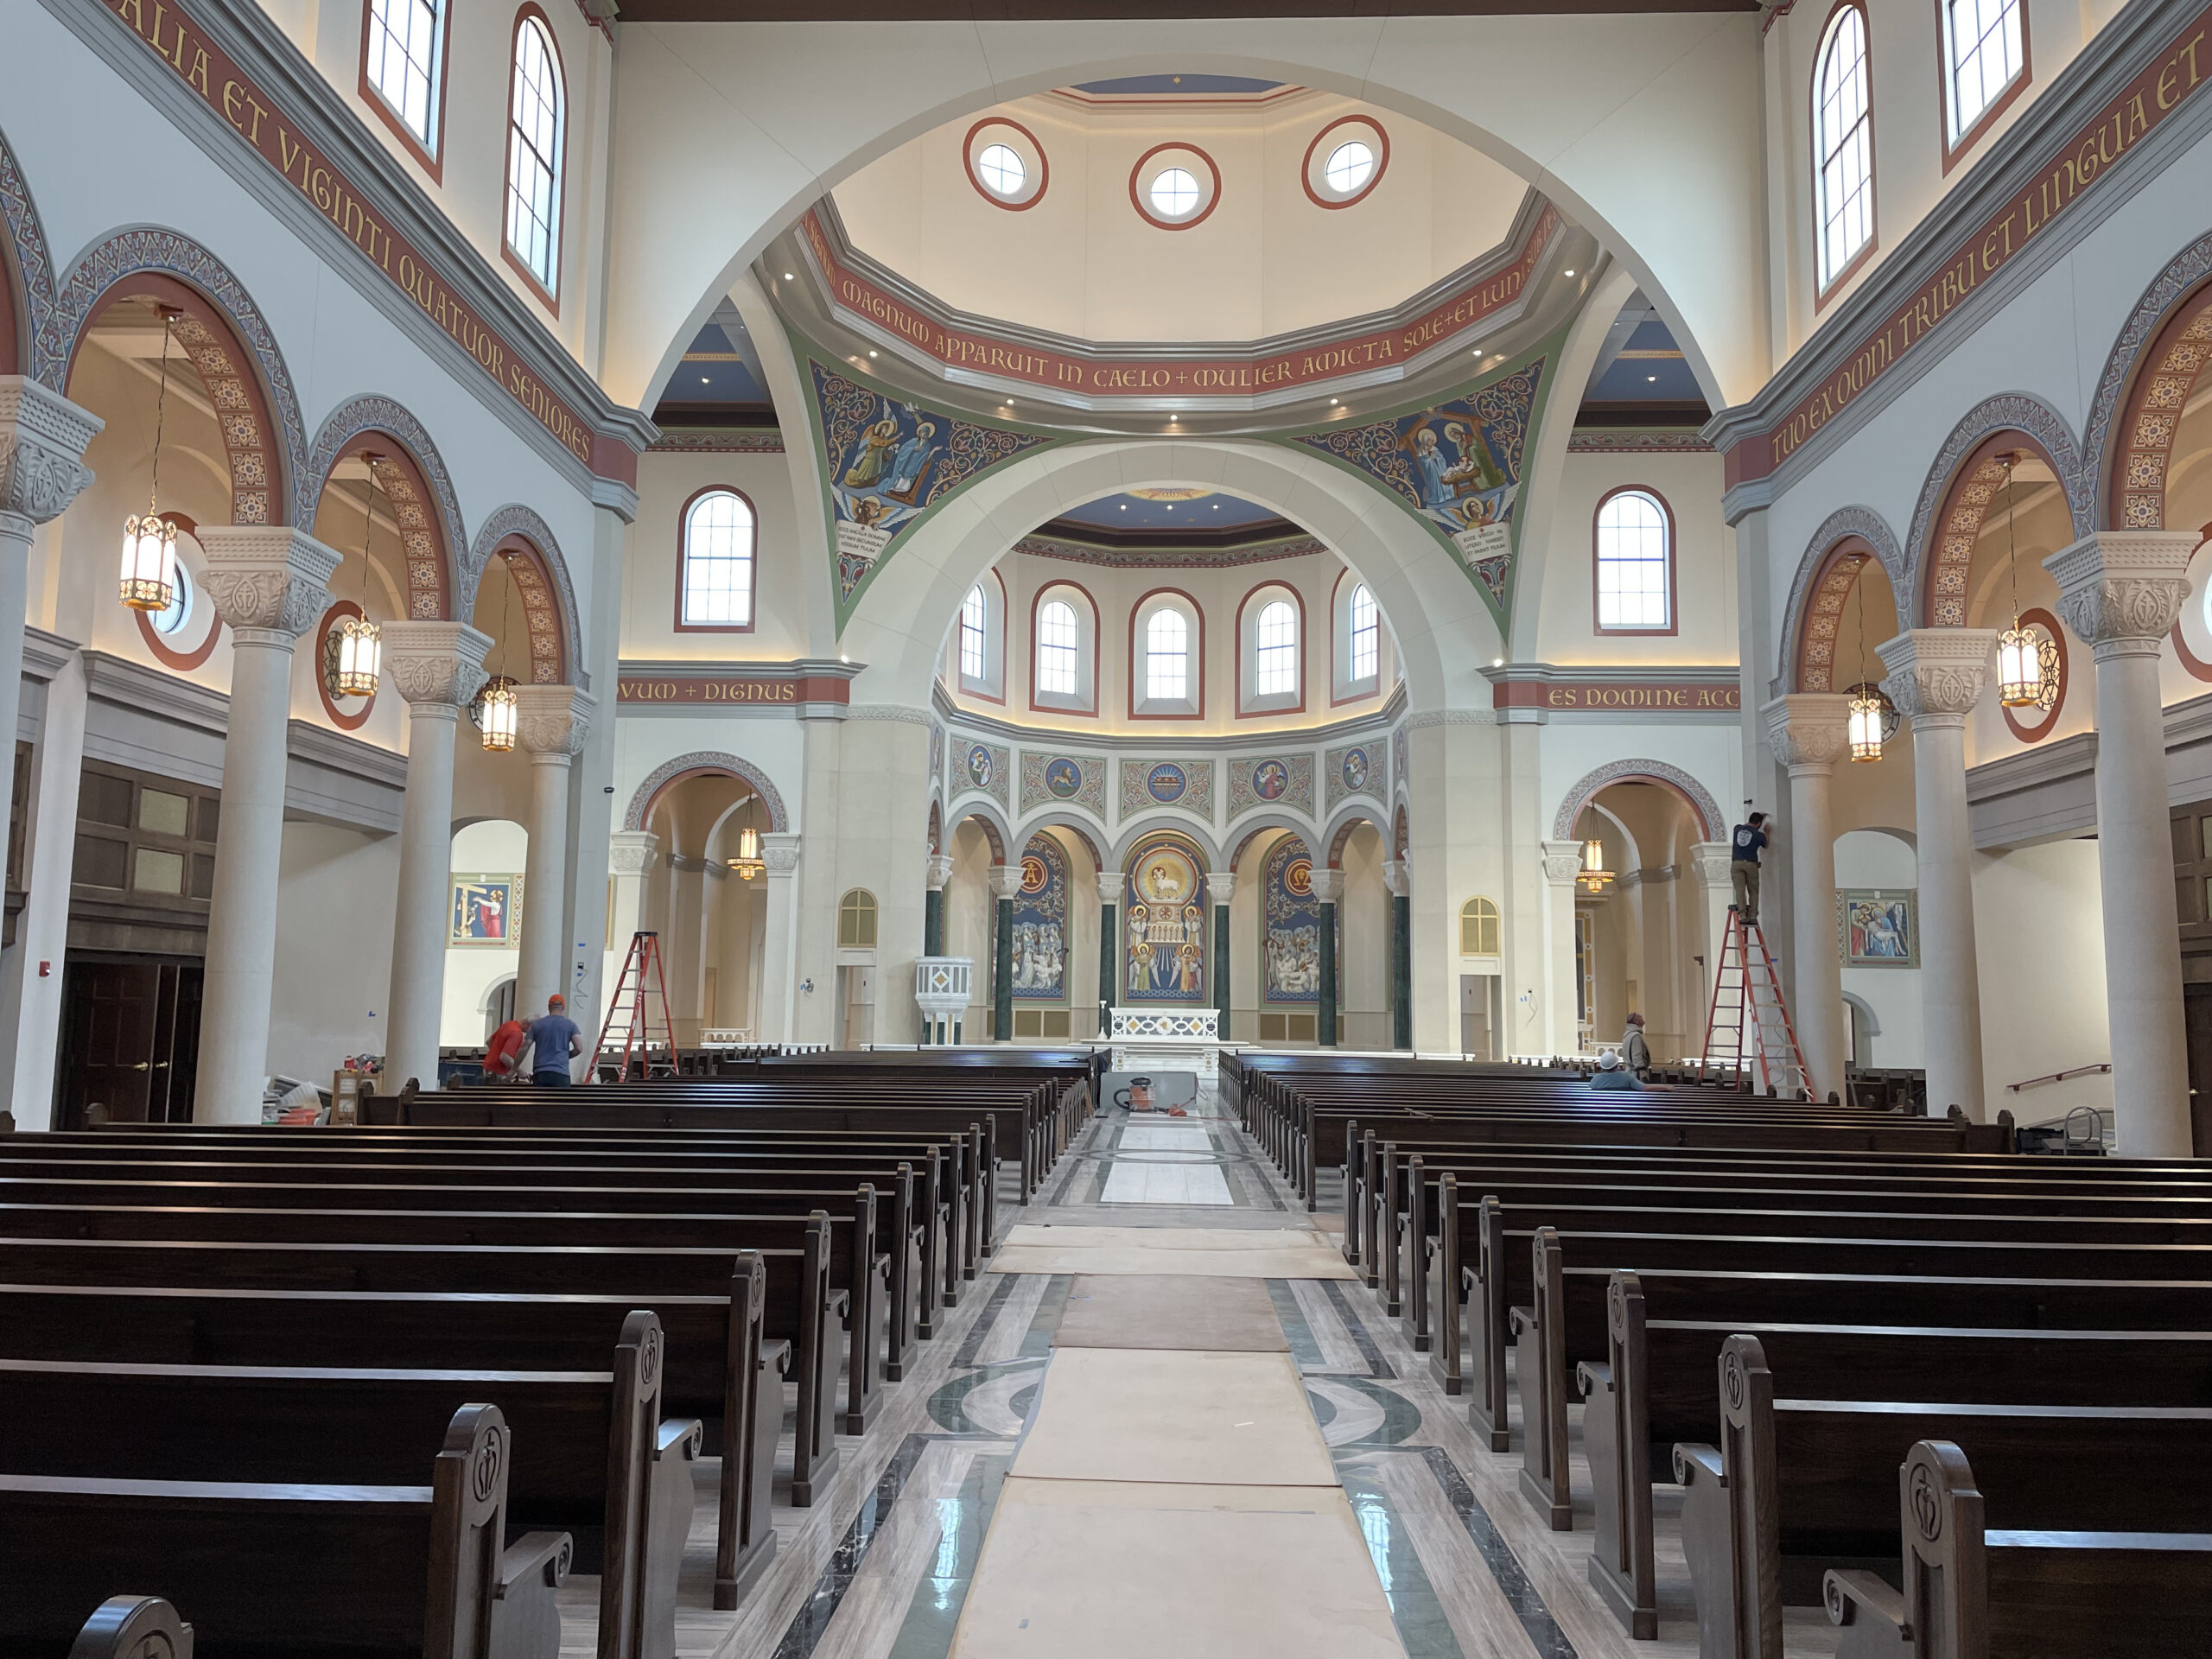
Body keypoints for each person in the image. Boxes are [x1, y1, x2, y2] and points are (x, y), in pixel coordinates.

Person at [524, 994, 583, 1088]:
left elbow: (525, 1046)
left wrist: (514, 1068)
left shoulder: (537, 1024)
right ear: (563, 1007)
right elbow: (579, 1048)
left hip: (541, 1072)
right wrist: (565, 1056)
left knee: (540, 1102)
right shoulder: (570, 1025)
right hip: (561, 1073)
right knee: (560, 1102)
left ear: (549, 1007)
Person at [1730, 810, 1771, 928]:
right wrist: (1767, 832)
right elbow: (1766, 845)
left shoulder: (1737, 829)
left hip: (1736, 863)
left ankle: (1742, 915)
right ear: (1759, 823)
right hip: (1751, 864)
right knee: (1753, 890)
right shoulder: (1759, 835)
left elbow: (1747, 827)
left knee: (1740, 890)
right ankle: (1753, 916)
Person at [483, 1015, 528, 1083]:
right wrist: (519, 1071)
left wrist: (495, 1054)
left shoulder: (508, 1024)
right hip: (499, 1072)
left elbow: (489, 1042)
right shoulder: (517, 1033)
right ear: (527, 1024)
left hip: (488, 1069)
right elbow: (504, 1057)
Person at [1622, 1012, 1651, 1079]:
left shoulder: (1628, 1034)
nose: (1642, 1018)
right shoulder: (1636, 1036)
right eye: (1640, 1017)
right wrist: (1642, 1073)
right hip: (1636, 1074)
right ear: (1636, 1021)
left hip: (1630, 1071)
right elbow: (1636, 1055)